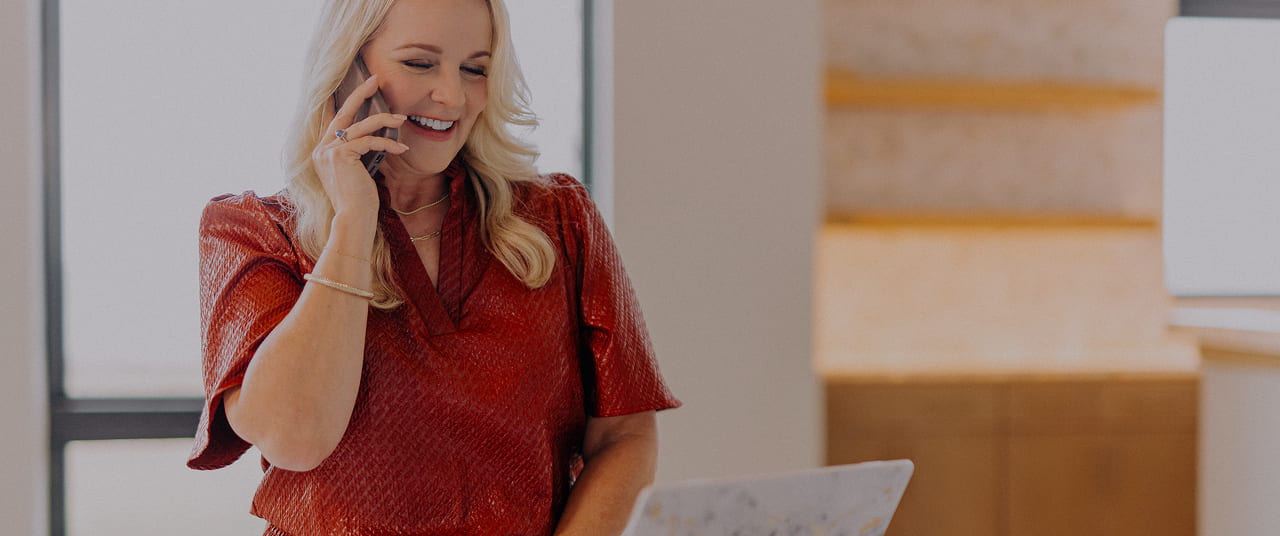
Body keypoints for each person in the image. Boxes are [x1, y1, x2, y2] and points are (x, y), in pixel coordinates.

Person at [186, 0, 680, 534]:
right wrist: (353, 220)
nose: (451, 96)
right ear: (348, 68)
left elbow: (624, 438)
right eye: (420, 64)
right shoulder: (253, 229)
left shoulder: (560, 218)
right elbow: (295, 438)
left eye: (475, 68)